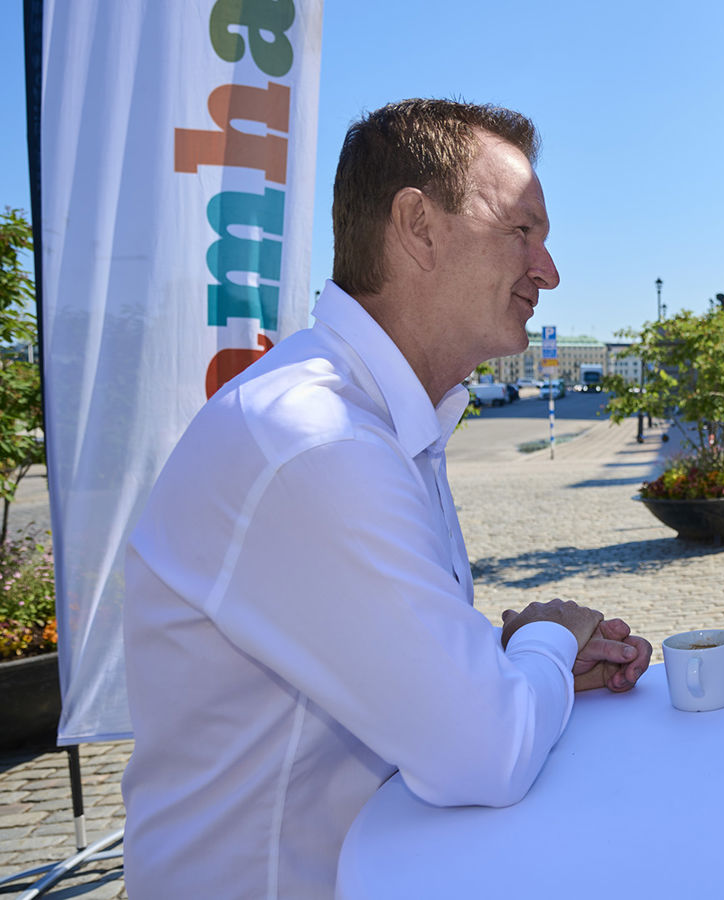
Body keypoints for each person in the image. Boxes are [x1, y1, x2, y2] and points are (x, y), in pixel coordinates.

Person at [121, 100, 652, 899]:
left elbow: (406, 670)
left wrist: (509, 669)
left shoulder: (378, 415)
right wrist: (544, 637)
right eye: (522, 230)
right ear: (418, 227)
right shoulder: (316, 436)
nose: (548, 270)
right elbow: (485, 752)